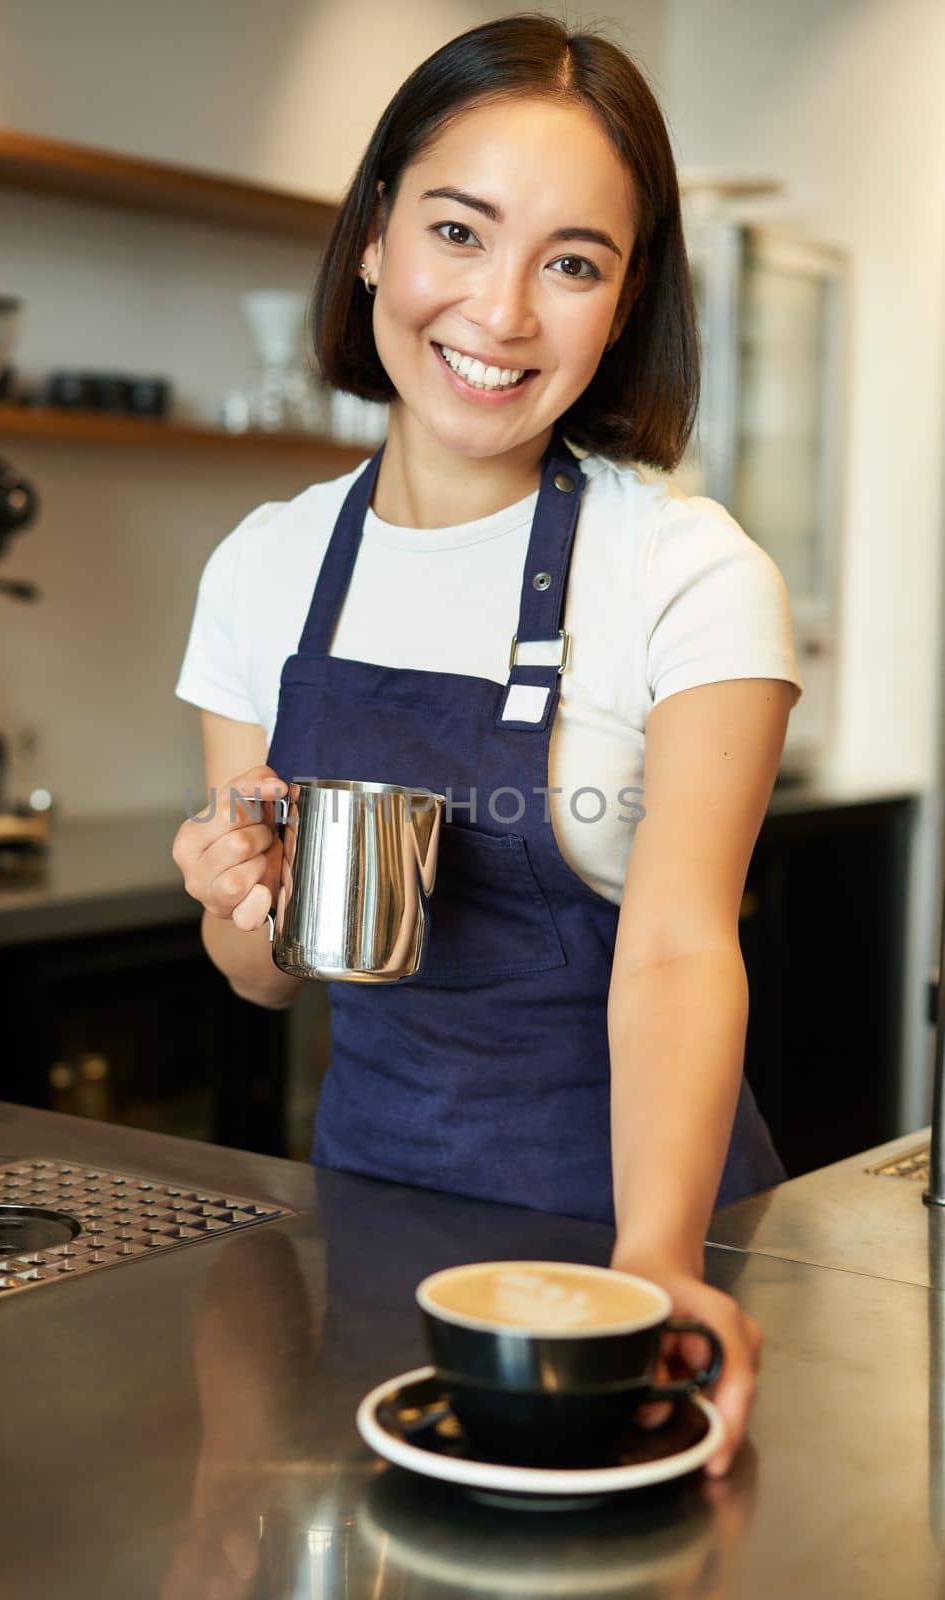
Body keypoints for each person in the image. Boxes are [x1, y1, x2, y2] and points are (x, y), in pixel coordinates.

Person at [172, 13, 803, 1477]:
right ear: (378, 235)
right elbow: (266, 978)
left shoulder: (690, 573)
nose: (503, 311)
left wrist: (649, 1273)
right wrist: (234, 897)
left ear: (627, 299)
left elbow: (676, 948)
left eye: (573, 261)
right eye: (460, 230)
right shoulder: (265, 569)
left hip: (643, 1232)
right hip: (372, 1228)